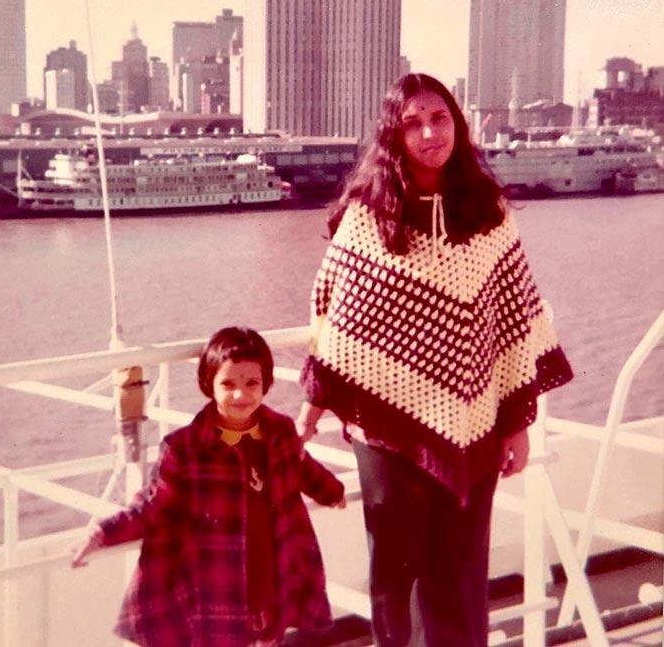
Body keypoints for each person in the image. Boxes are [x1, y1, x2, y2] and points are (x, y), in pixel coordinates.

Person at [295, 73, 573, 647]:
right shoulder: (367, 214)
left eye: (439, 118)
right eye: (413, 123)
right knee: (395, 573)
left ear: (458, 123)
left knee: (462, 567)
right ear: (393, 136)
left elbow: (516, 317)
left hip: (475, 427)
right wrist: (316, 403)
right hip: (384, 428)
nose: (429, 132)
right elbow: (333, 311)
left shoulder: (488, 211)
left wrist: (519, 422)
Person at [72, 326, 345, 647]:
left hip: (273, 569)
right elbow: (152, 506)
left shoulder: (280, 432)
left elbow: (300, 468)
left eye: (251, 383)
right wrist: (101, 533)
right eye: (228, 384)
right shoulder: (185, 449)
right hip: (221, 580)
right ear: (209, 385)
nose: (241, 395)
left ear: (266, 384)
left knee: (270, 637)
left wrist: (331, 491)